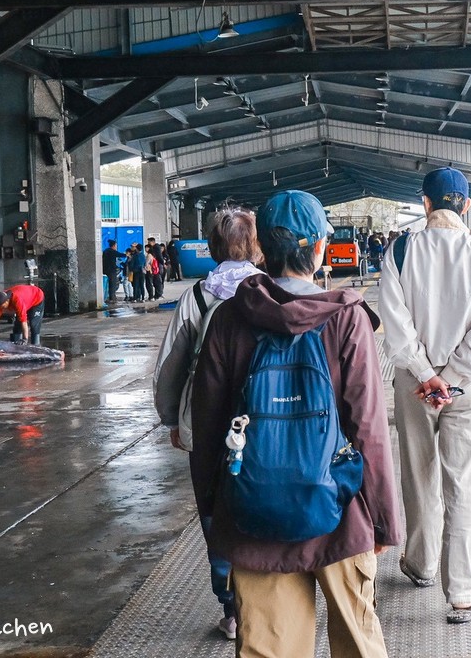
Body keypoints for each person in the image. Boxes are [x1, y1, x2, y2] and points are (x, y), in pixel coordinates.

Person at [190, 190, 401, 657]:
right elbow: (368, 428)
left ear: (262, 248)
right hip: (340, 510)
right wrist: (385, 521)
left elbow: (206, 428)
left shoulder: (228, 319)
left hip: (251, 513)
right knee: (358, 645)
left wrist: (214, 509)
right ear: (320, 249)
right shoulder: (347, 319)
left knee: (269, 649)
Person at [380, 167, 471, 624]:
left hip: (414, 387)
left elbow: (395, 323)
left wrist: (425, 374)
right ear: (466, 206)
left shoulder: (399, 250)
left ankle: (421, 564)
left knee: (418, 476)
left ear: (426, 204)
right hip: (467, 388)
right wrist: (451, 377)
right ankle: (463, 594)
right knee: (463, 485)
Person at [153, 209, 263, 640]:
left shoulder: (197, 296)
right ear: (256, 245)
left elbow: (170, 366)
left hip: (205, 423)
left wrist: (170, 417)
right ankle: (266, 595)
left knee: (214, 514)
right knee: (259, 503)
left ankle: (232, 609)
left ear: (213, 248)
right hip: (261, 421)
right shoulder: (271, 291)